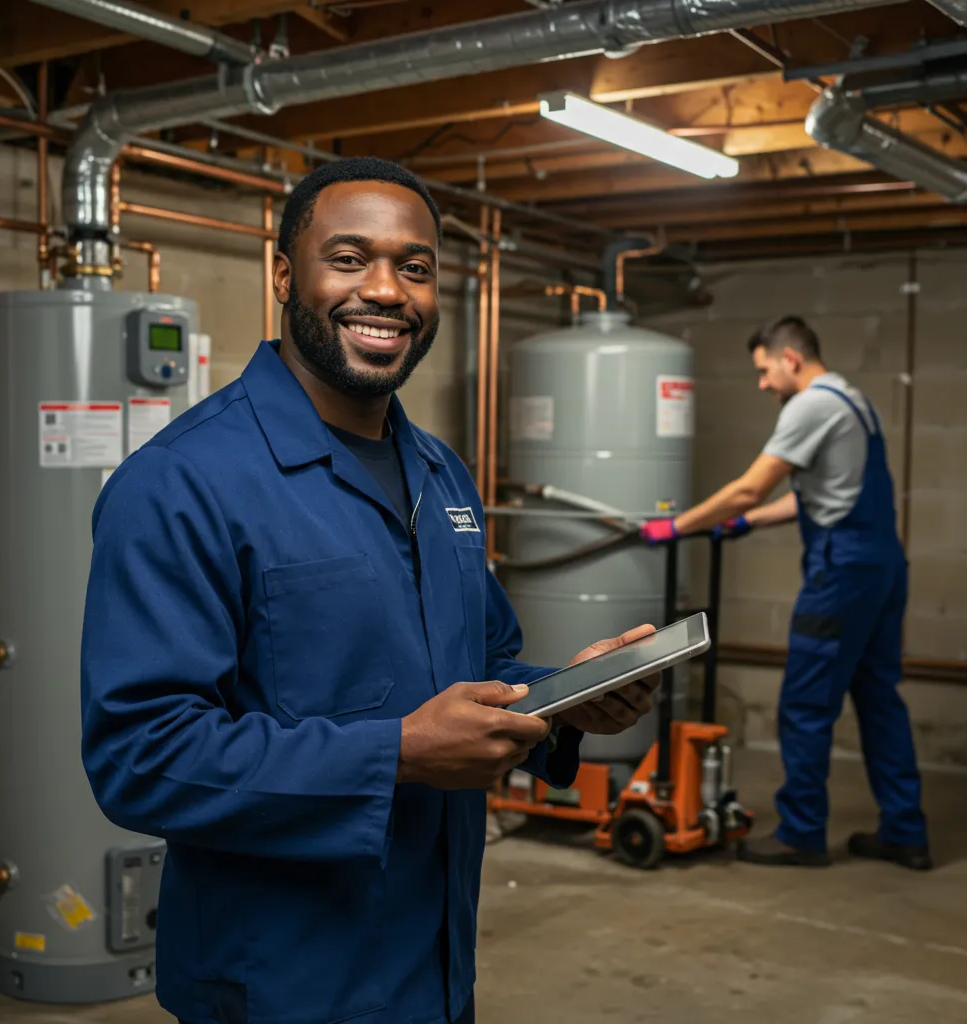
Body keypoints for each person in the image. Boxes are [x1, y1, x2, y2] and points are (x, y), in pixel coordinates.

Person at [81, 156, 660, 1024]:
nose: (386, 290)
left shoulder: (440, 473)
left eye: (414, 267)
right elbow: (142, 757)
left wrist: (563, 701)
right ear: (285, 274)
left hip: (433, 965)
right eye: (348, 259)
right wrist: (394, 755)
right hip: (281, 982)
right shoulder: (183, 482)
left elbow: (486, 658)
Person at [640, 315, 930, 871]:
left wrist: (679, 526)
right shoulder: (853, 401)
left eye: (764, 370)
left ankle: (801, 832)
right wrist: (748, 524)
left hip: (841, 572)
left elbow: (750, 486)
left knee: (804, 703)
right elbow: (820, 496)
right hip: (881, 566)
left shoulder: (810, 406)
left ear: (790, 358)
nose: (763, 383)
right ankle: (906, 830)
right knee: (878, 701)